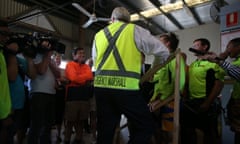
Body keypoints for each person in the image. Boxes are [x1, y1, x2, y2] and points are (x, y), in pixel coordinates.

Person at [92, 7, 169, 144]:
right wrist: (154, 69)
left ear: (112, 19)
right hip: (126, 89)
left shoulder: (98, 35)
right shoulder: (135, 30)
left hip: (101, 88)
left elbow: (95, 61)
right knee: (145, 127)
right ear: (128, 20)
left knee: (105, 131)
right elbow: (163, 52)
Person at [180, 38, 225, 144]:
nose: (194, 47)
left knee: (209, 133)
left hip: (206, 103)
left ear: (204, 47)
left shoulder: (213, 64)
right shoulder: (192, 65)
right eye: (193, 45)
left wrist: (207, 103)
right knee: (190, 131)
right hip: (191, 103)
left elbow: (219, 84)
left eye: (197, 45)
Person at [148, 32, 186, 144]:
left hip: (169, 101)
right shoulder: (162, 60)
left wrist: (166, 99)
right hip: (158, 99)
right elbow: (154, 78)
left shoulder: (174, 59)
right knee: (160, 130)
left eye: (160, 41)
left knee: (170, 132)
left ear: (168, 43)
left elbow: (180, 83)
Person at [203, 37, 240, 144]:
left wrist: (220, 61)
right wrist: (220, 59)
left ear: (238, 47)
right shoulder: (236, 61)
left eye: (229, 47)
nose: (227, 50)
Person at [28, 40, 61, 144]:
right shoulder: (36, 56)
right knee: (37, 125)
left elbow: (58, 74)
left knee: (48, 125)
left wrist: (50, 59)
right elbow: (41, 71)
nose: (48, 47)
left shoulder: (50, 58)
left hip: (51, 94)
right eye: (46, 45)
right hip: (38, 93)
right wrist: (47, 56)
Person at [64, 47, 93, 144]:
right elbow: (73, 77)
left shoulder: (87, 67)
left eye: (83, 53)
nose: (82, 55)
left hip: (84, 97)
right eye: (80, 53)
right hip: (72, 96)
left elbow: (90, 76)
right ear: (74, 55)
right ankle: (67, 141)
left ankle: (78, 140)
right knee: (70, 122)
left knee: (81, 121)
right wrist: (83, 79)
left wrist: (78, 79)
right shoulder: (70, 65)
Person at [0, 20, 13, 144]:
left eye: (7, 34)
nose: (6, 38)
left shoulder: (2, 54)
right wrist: (4, 114)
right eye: (3, 33)